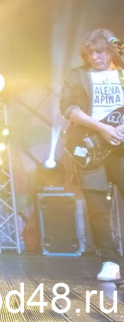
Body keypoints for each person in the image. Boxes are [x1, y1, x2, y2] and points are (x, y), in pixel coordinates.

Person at [60, 28, 124, 281]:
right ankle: (110, 261)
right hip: (91, 146)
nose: (96, 56)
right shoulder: (78, 75)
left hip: (120, 148)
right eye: (91, 53)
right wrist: (102, 128)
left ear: (111, 51)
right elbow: (68, 108)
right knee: (97, 208)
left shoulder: (121, 73)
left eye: (101, 51)